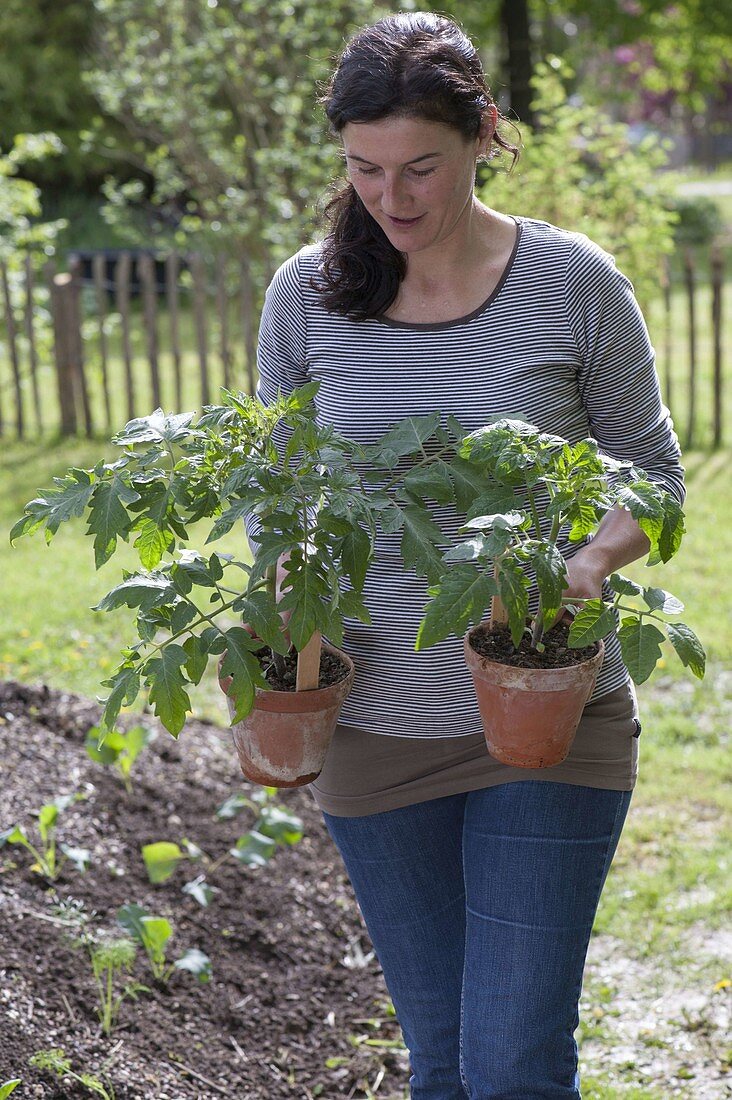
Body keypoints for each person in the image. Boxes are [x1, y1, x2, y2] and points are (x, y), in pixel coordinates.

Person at [248, 12, 684, 1098]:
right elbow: (278, 501)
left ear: (486, 134)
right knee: (441, 1065)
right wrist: (272, 625)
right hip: (375, 733)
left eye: (420, 168)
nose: (391, 200)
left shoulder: (574, 282)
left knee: (511, 1066)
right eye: (364, 169)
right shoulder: (305, 296)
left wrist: (588, 562)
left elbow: (654, 479)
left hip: (544, 720)